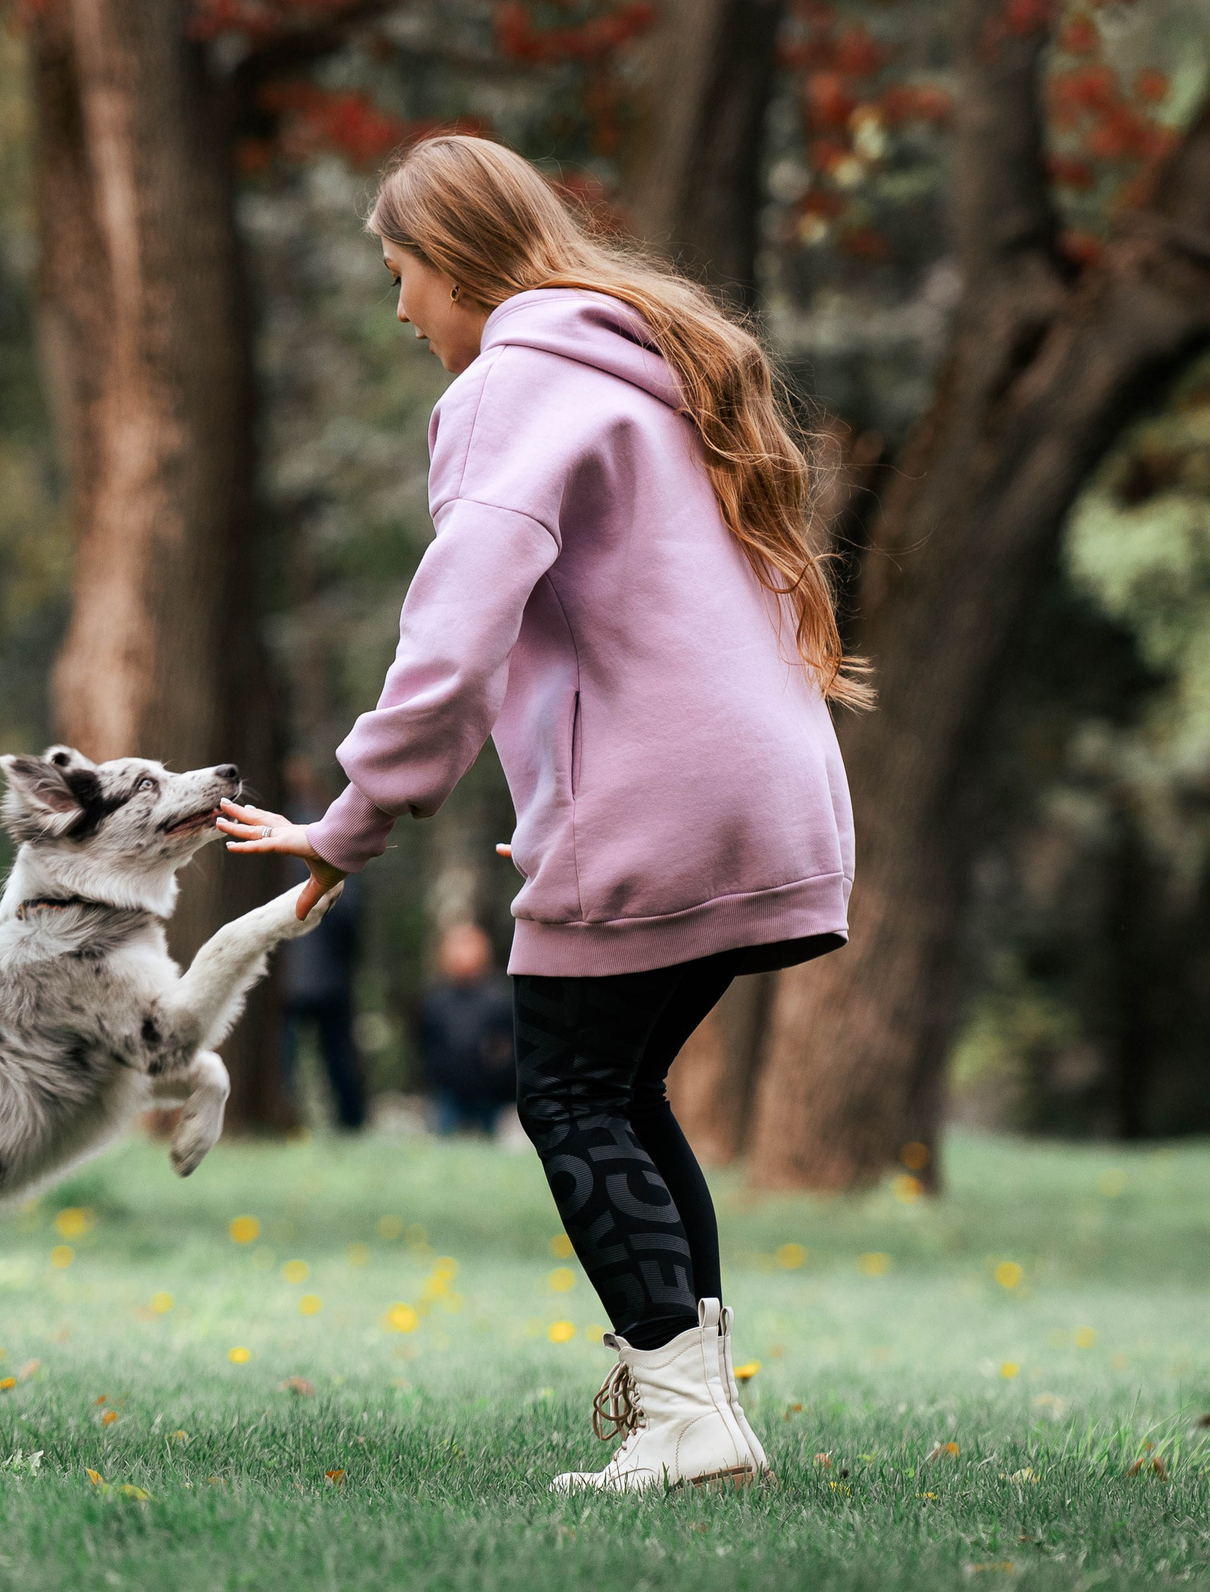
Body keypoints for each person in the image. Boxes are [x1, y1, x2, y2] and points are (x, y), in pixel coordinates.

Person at [218, 135, 863, 1493]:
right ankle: (694, 1409)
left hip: (670, 797)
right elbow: (661, 622)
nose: (400, 309)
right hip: (766, 786)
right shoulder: (646, 371)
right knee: (621, 1089)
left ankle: (685, 1419)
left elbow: (455, 640)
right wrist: (580, 802)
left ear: (455, 264)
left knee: (567, 1093)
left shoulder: (512, 385)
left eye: (401, 272)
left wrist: (352, 820)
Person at [277, 759, 368, 1132]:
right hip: (328, 971)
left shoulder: (268, 833)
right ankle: (351, 1123)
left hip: (282, 968)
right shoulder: (328, 830)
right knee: (337, 1054)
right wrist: (348, 957)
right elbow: (348, 906)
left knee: (283, 1056)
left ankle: (283, 1119)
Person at [416, 922, 515, 1136]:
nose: (463, 955)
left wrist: (498, 1073)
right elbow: (425, 1044)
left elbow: (508, 1045)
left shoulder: (498, 999)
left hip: (490, 1093)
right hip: (448, 1092)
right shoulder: (435, 1000)